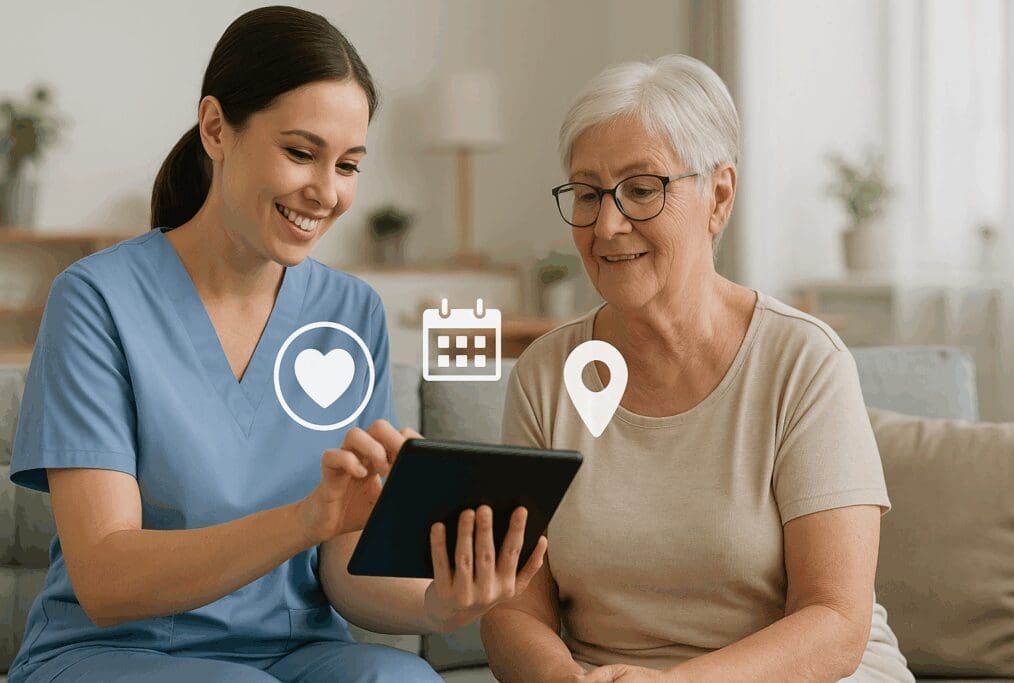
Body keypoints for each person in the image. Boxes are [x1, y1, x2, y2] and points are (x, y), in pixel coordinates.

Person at [7, 7, 545, 683]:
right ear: (215, 129)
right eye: (300, 152)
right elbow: (107, 577)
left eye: (348, 164)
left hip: (294, 654)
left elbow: (344, 564)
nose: (326, 191)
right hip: (114, 653)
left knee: (406, 680)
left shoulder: (351, 313)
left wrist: (441, 603)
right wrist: (303, 519)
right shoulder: (95, 301)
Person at [481, 55, 916, 682]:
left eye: (641, 189)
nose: (607, 224)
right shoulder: (546, 374)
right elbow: (514, 607)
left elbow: (836, 619)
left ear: (718, 196)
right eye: (586, 193)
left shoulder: (803, 361)